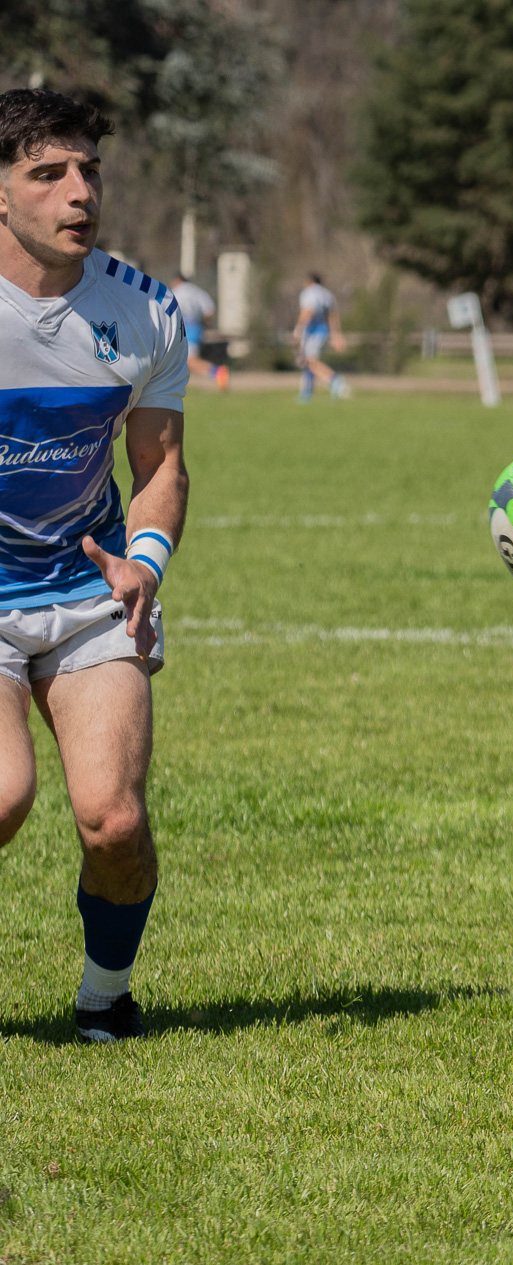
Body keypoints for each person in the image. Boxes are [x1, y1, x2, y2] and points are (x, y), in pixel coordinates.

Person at [0, 88, 189, 1042]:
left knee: (113, 820)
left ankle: (106, 992)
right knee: (1, 795)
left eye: (89, 170)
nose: (80, 191)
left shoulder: (145, 311)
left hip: (84, 587)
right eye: (48, 174)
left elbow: (158, 467)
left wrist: (143, 562)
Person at [293, 271, 348, 402]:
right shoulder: (327, 294)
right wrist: (336, 334)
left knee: (310, 360)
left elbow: (308, 311)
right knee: (308, 360)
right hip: (324, 329)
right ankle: (307, 392)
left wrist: (298, 328)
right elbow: (333, 315)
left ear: (309, 281)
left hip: (312, 331)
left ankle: (335, 380)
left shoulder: (309, 292)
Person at [171, 272, 227, 392]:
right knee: (183, 361)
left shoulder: (176, 292)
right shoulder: (197, 291)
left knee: (190, 360)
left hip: (183, 328)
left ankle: (217, 372)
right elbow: (210, 311)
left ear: (177, 280)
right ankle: (183, 387)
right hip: (196, 326)